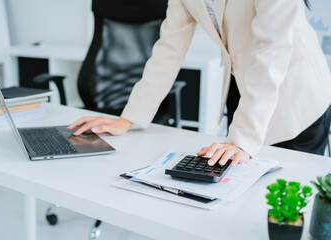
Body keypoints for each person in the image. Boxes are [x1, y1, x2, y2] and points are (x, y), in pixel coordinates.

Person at [68, 0, 331, 166]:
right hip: (244, 88)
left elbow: (271, 53)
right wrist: (129, 118)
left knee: (288, 200)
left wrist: (242, 138)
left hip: (296, 97)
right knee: (238, 182)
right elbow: (168, 48)